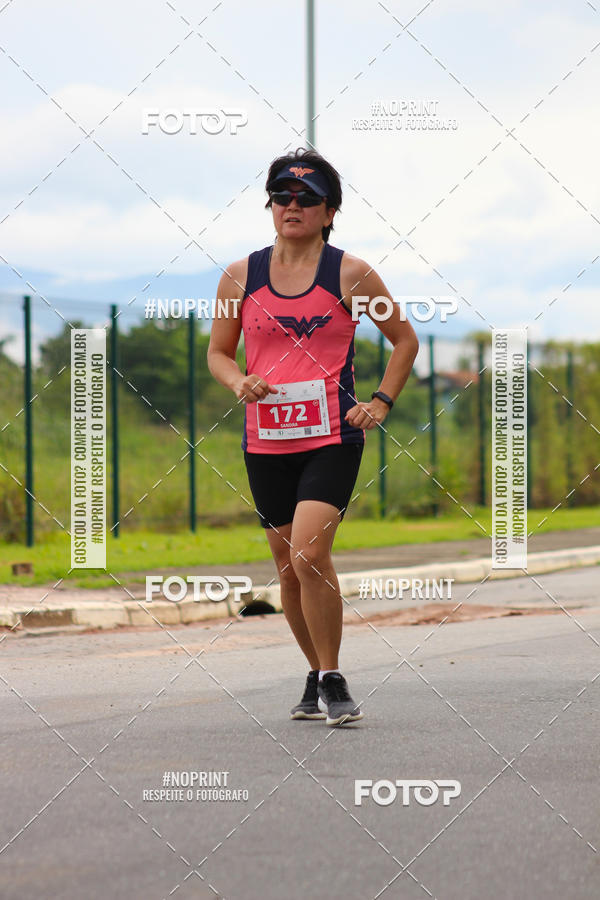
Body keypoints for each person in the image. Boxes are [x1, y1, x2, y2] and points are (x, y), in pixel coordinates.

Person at [207, 148, 419, 726]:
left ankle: (333, 676)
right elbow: (218, 353)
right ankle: (314, 671)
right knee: (284, 564)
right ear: (270, 206)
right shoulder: (239, 275)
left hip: (332, 435)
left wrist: (379, 402)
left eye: (307, 199)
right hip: (265, 439)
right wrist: (238, 382)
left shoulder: (350, 274)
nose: (292, 206)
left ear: (330, 211)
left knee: (309, 552)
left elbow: (404, 341)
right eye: (282, 196)